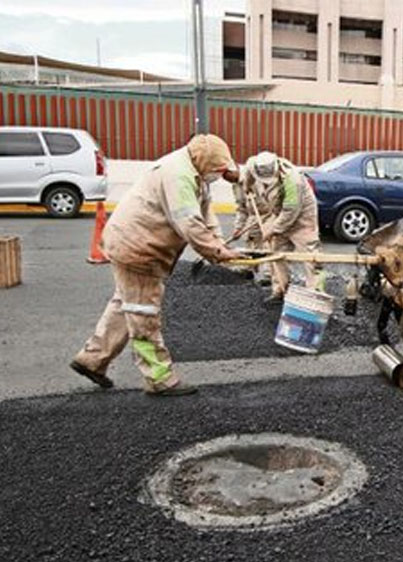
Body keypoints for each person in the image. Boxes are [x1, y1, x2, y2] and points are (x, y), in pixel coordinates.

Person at [70, 134, 245, 396]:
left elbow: (206, 217)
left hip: (135, 244)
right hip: (138, 249)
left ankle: (92, 359)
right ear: (204, 162)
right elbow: (189, 223)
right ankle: (159, 378)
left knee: (124, 304)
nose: (218, 176)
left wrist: (222, 247)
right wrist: (217, 253)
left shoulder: (194, 172)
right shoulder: (178, 176)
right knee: (143, 313)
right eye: (217, 171)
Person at [249, 151, 322, 302]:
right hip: (280, 213)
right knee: (277, 252)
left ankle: (315, 293)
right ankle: (280, 289)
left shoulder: (292, 179)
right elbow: (248, 183)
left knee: (310, 256)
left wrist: (273, 229)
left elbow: (291, 211)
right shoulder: (254, 168)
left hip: (303, 217)